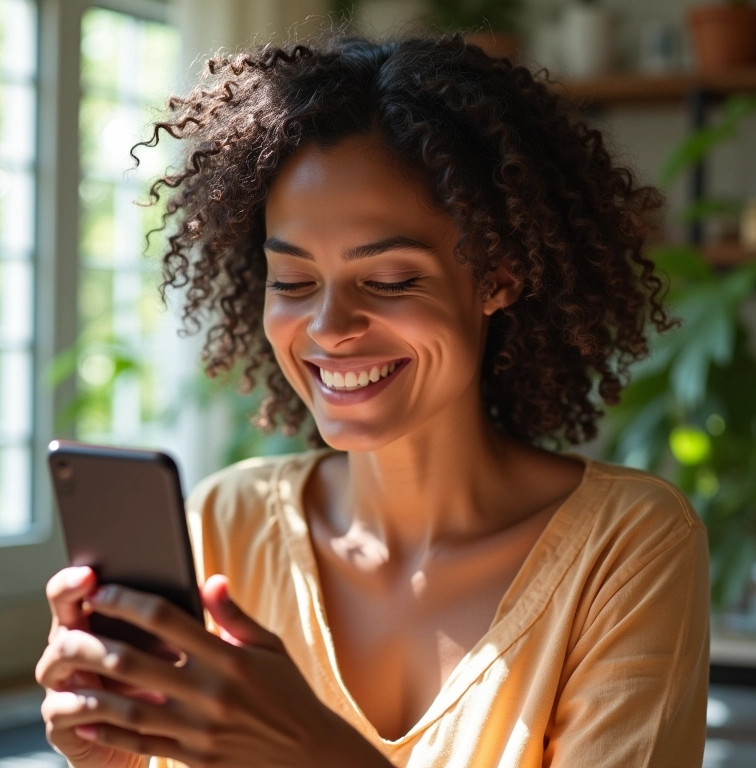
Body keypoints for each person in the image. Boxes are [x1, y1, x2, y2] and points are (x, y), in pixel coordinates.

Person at [36, 31, 710, 768]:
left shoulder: (625, 547)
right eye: (291, 283)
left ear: (499, 277)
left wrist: (313, 751)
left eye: (389, 280)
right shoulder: (229, 524)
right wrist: (114, 756)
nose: (328, 329)